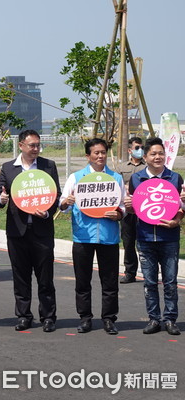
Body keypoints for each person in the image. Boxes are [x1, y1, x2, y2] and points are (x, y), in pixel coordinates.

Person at [0, 130, 60, 333]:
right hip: (17, 232)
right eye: (32, 145)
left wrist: (47, 213)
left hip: (42, 231)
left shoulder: (48, 166)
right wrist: (1, 200)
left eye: (38, 145)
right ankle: (24, 316)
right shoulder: (8, 168)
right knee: (20, 277)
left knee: (45, 278)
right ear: (21, 145)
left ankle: (48, 317)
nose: (36, 149)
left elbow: (55, 196)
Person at [60, 138, 124, 335]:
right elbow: (63, 205)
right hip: (83, 236)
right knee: (82, 280)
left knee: (110, 281)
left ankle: (109, 318)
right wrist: (66, 202)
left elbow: (122, 207)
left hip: (108, 237)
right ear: (88, 156)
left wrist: (119, 214)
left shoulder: (116, 178)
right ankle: (85, 317)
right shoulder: (76, 177)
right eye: (96, 153)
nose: (100, 156)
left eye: (103, 152)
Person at [124, 137, 182, 335]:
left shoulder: (175, 178)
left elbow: (181, 207)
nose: (158, 157)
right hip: (145, 237)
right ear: (145, 157)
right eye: (153, 154)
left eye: (161, 153)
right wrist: (129, 208)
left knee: (171, 282)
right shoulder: (136, 179)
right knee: (149, 282)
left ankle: (170, 319)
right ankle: (154, 319)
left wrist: (177, 220)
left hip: (169, 238)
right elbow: (133, 210)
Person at [117, 137, 146, 284]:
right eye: (136, 148)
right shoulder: (121, 167)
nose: (139, 150)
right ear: (129, 150)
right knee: (128, 242)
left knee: (144, 242)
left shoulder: (147, 167)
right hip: (128, 210)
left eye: (141, 147)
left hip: (144, 210)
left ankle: (148, 272)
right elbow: (116, 186)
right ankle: (130, 272)